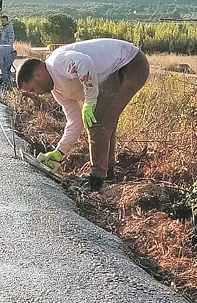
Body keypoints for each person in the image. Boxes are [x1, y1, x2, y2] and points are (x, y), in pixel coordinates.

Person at [15, 38, 149, 193]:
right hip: (114, 72)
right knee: (103, 121)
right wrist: (60, 151)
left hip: (130, 64)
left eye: (32, 89)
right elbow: (75, 121)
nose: (36, 94)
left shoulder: (57, 63)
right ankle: (107, 173)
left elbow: (84, 63)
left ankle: (96, 180)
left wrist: (90, 101)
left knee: (98, 122)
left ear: (37, 75)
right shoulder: (58, 92)